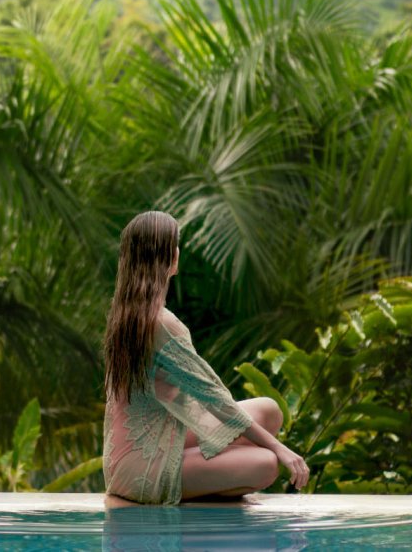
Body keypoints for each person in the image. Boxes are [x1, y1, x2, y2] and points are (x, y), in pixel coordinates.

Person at [103, 210, 309, 504]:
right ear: (172, 258)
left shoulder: (126, 314)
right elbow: (213, 397)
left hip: (130, 454)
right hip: (142, 469)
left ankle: (212, 473)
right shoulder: (161, 323)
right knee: (265, 463)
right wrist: (281, 449)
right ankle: (202, 482)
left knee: (268, 411)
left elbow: (187, 398)